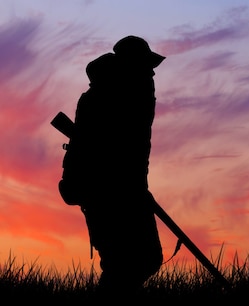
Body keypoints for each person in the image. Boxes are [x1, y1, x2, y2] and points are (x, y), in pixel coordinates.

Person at [67, 35, 166, 295]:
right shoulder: (109, 97)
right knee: (130, 261)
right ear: (129, 64)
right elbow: (110, 146)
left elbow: (133, 149)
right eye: (146, 64)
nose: (152, 71)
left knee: (137, 261)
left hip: (130, 188)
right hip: (107, 192)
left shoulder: (130, 93)